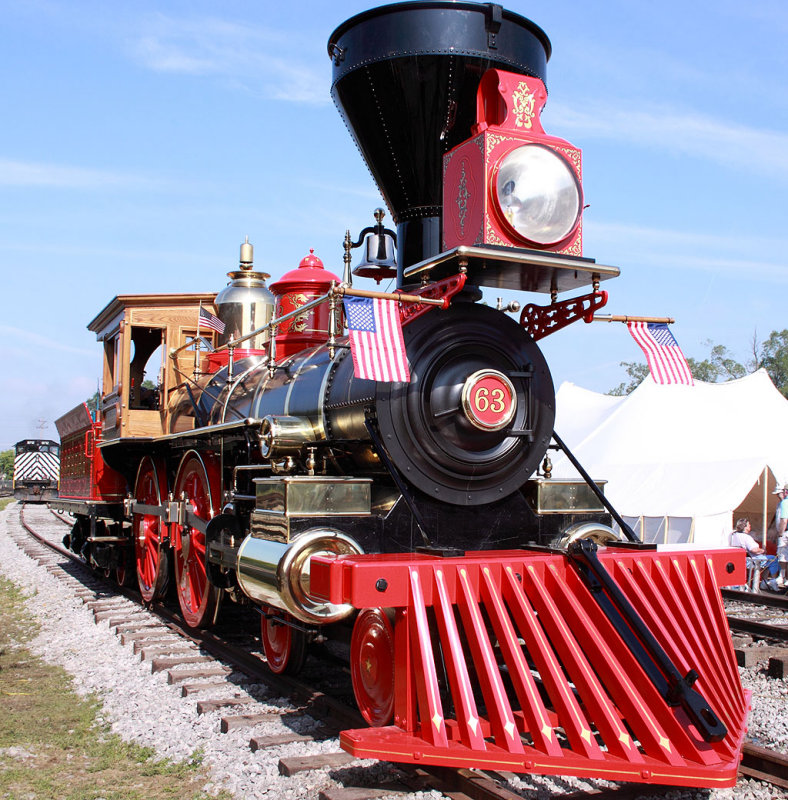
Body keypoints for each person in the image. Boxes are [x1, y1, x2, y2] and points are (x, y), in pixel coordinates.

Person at [730, 517, 769, 591]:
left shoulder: (733, 535)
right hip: (750, 560)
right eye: (749, 525)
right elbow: (754, 550)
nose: (750, 526)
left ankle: (763, 582)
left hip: (737, 559)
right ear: (745, 527)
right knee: (772, 559)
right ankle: (770, 581)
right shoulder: (746, 537)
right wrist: (763, 550)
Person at [774, 485, 788, 587]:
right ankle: (783, 577)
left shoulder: (784, 503)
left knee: (782, 554)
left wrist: (780, 533)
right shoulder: (782, 503)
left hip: (785, 532)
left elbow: (783, 519)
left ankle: (782, 576)